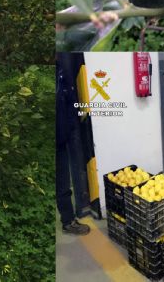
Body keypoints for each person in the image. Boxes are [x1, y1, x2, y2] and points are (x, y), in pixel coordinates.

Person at [56, 57, 90, 236]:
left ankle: (68, 220)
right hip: (57, 135)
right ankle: (68, 221)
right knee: (61, 181)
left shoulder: (61, 68)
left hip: (63, 132)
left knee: (63, 179)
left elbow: (67, 98)